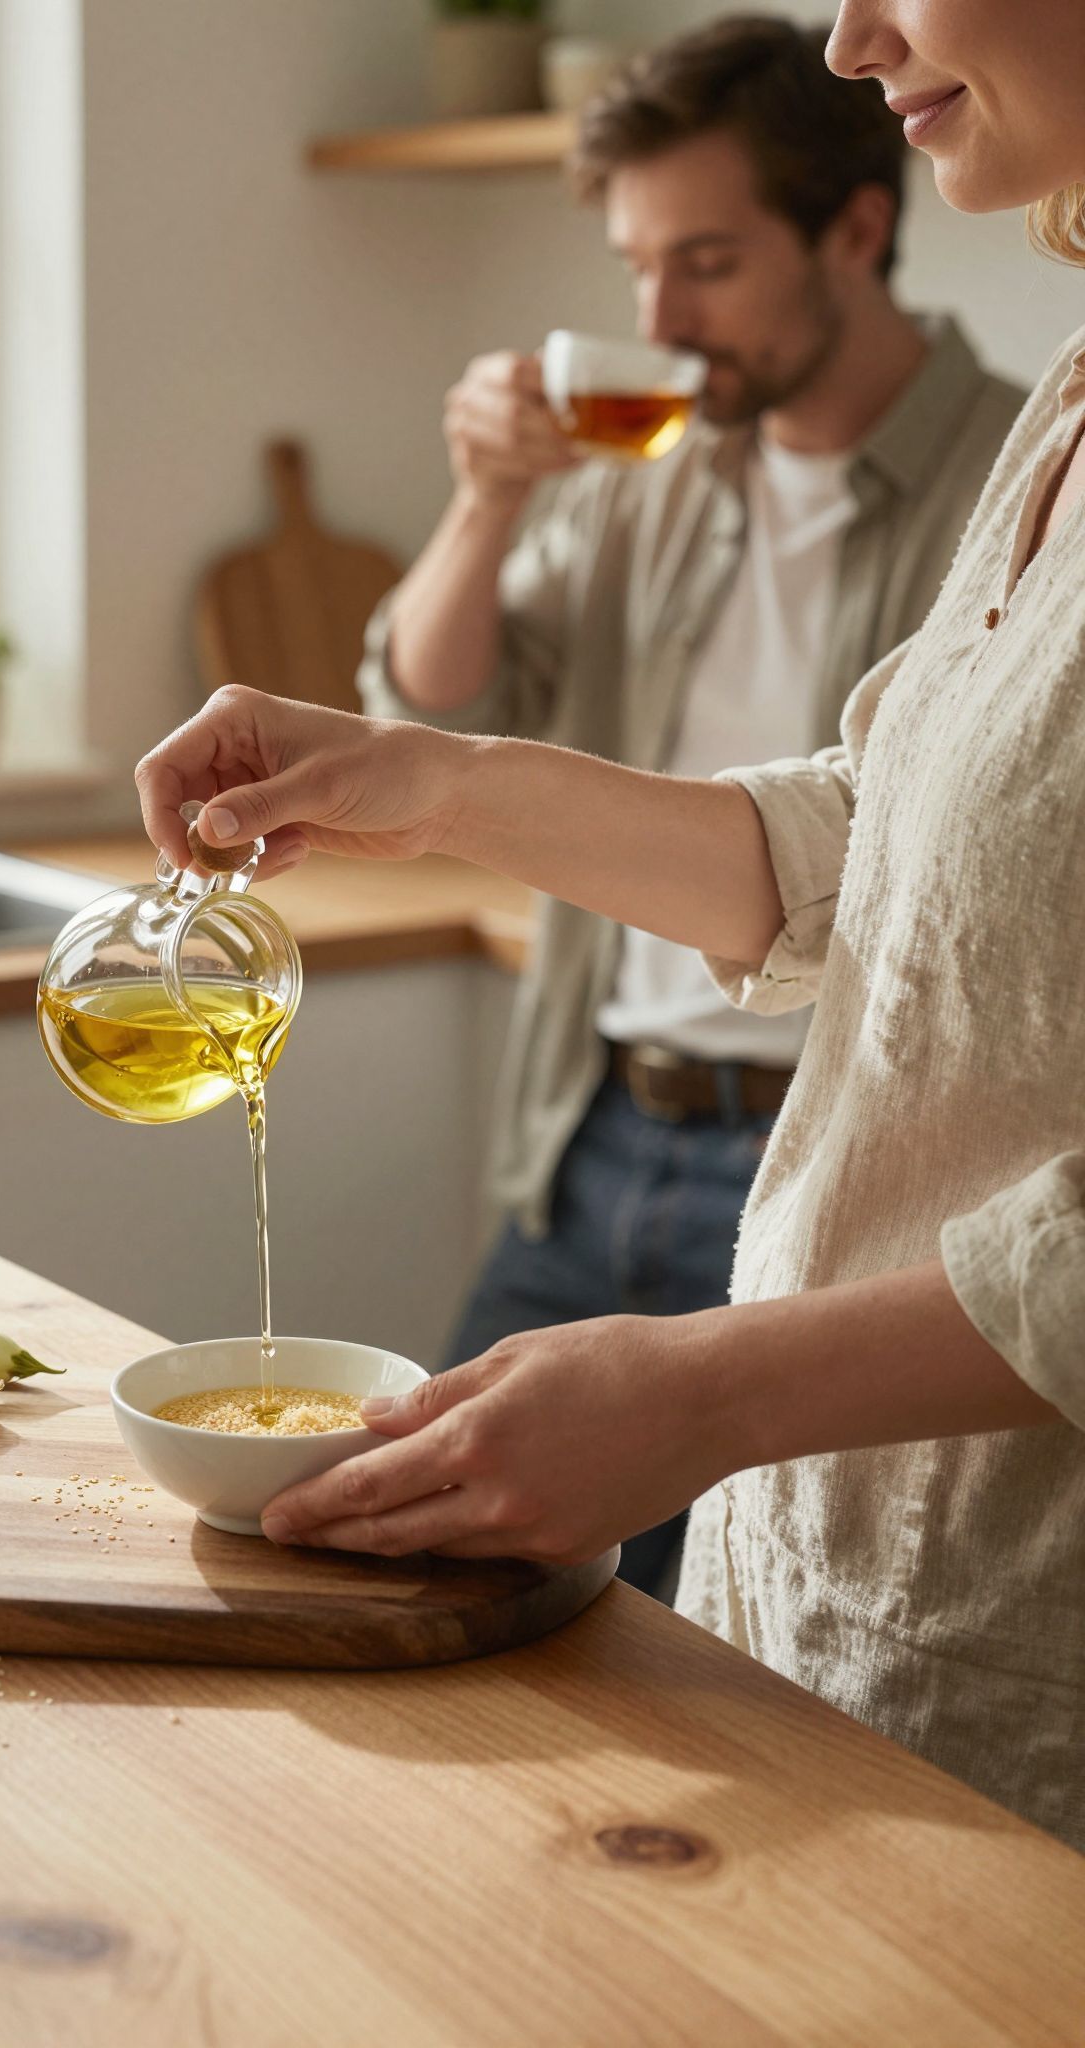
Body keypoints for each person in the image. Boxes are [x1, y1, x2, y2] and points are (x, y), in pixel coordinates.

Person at [135, 0, 1085, 1848]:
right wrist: (434, 782)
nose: (850, 37)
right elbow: (884, 839)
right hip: (843, 1608)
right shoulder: (1072, 391)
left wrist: (705, 1391)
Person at [356, 14, 1023, 1602]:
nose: (659, 320)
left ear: (854, 228)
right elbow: (426, 713)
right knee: (412, 1585)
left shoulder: (1022, 474)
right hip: (593, 1139)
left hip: (838, 1185)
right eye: (640, 267)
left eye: (707, 263)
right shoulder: (642, 477)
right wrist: (484, 502)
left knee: (735, 1667)